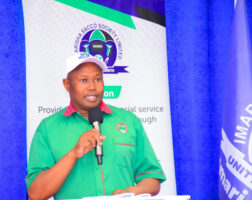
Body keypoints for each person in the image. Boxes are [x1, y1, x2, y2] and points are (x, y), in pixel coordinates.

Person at [25, 52, 166, 200]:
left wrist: (132, 192)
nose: (92, 87)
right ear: (67, 84)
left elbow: (152, 179)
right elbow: (36, 193)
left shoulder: (129, 121)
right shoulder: (48, 128)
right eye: (84, 80)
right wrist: (73, 154)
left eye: (98, 79)